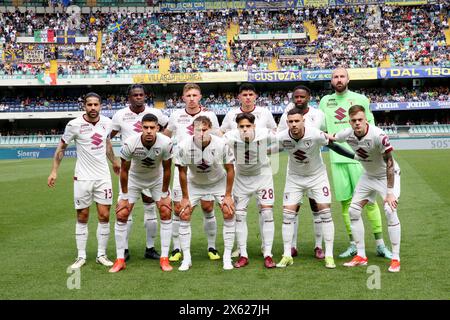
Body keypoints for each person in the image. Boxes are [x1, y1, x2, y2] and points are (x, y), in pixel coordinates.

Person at [319, 67, 392, 259]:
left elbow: (372, 127)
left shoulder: (361, 99)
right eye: (335, 77)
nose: (339, 79)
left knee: (369, 202)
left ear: (348, 79)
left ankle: (380, 244)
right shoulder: (325, 102)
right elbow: (322, 130)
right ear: (331, 81)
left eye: (342, 76)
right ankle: (354, 244)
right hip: (337, 159)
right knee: (345, 204)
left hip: (361, 160)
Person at [47, 92, 120, 269]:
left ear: (101, 106)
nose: (93, 108)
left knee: (104, 216)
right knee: (82, 216)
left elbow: (107, 145)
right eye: (89, 105)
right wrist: (54, 171)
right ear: (84, 106)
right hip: (82, 177)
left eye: (96, 104)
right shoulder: (74, 125)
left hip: (103, 177)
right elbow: (61, 148)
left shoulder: (107, 123)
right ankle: (81, 256)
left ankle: (101, 254)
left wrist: (115, 162)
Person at [275, 108, 353, 269]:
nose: (294, 124)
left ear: (303, 120)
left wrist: (354, 156)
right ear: (286, 123)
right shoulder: (281, 137)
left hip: (317, 177)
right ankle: (287, 255)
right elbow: (268, 148)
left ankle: (329, 256)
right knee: (287, 215)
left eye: (297, 121)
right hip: (294, 178)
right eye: (290, 122)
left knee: (325, 212)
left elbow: (333, 146)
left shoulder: (315, 133)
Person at [331, 105, 401, 272]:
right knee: (353, 211)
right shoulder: (347, 133)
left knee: (390, 211)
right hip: (368, 176)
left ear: (366, 120)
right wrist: (354, 156)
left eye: (360, 120)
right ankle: (361, 255)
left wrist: (390, 193)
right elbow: (331, 141)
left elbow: (390, 163)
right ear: (349, 121)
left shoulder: (379, 135)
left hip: (387, 176)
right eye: (354, 120)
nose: (357, 123)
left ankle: (396, 258)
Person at [110, 84, 169, 262]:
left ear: (145, 96)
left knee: (152, 209)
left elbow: (167, 129)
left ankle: (150, 248)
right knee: (125, 210)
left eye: (141, 94)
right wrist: (113, 159)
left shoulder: (155, 114)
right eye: (134, 95)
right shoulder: (120, 115)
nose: (138, 97)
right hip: (132, 169)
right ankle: (124, 250)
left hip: (153, 170)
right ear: (129, 97)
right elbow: (107, 137)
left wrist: (158, 148)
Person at [164, 83, 221, 263]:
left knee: (207, 207)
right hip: (182, 168)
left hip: (205, 169)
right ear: (183, 98)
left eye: (195, 95)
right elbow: (166, 136)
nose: (191, 98)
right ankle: (176, 249)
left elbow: (218, 136)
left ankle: (211, 246)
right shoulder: (175, 115)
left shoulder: (210, 115)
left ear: (200, 97)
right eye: (188, 95)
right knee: (178, 209)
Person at [220, 83, 277, 258]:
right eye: (244, 94)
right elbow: (222, 134)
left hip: (262, 171)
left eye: (250, 94)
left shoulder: (265, 113)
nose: (247, 97)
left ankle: (265, 247)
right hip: (241, 172)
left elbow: (275, 135)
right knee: (239, 213)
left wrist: (267, 151)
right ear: (239, 97)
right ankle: (240, 247)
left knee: (266, 211)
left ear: (255, 96)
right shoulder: (231, 114)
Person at [175, 116, 236, 271]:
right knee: (184, 213)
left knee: (229, 212)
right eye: (197, 130)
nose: (201, 133)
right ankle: (186, 258)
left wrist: (228, 196)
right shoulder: (183, 145)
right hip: (194, 184)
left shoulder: (222, 144)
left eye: (204, 129)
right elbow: (182, 172)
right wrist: (185, 197)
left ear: (210, 129)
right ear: (192, 130)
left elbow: (230, 169)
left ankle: (227, 257)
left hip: (218, 183)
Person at [277, 85, 327, 259]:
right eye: (296, 97)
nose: (298, 100)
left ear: (309, 97)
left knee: (317, 207)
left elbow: (325, 135)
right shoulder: (286, 115)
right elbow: (280, 139)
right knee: (293, 210)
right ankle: (292, 246)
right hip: (295, 171)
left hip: (315, 170)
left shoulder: (319, 115)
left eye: (302, 97)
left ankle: (318, 246)